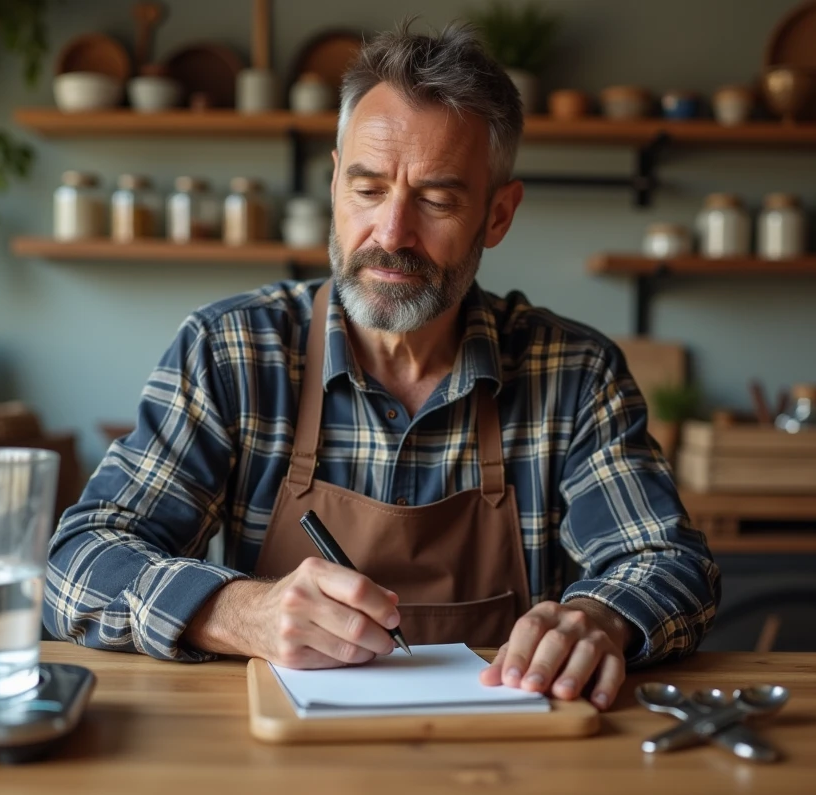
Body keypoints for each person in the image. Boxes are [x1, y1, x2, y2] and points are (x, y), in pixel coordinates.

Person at [43, 20, 720, 711]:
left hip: (505, 760)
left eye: (436, 199)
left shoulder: (573, 373)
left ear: (497, 215)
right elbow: (79, 563)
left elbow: (670, 563)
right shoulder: (231, 352)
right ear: (335, 184)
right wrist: (237, 611)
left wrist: (599, 618)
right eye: (367, 190)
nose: (391, 235)